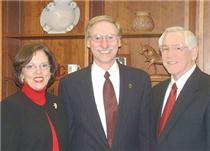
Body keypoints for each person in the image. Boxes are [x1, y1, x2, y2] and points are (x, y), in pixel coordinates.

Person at [58, 15, 152, 151]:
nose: (104, 44)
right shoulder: (70, 84)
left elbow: (146, 134)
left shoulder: (140, 80)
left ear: (119, 41)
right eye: (97, 38)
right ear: (88, 42)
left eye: (110, 37)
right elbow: (67, 135)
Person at [152, 26, 210, 151]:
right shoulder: (156, 91)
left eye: (177, 48)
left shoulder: (207, 88)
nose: (170, 54)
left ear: (193, 53)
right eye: (165, 49)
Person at [1, 43, 68, 151]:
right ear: (21, 74)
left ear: (51, 71)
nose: (38, 71)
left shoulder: (58, 104)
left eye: (44, 65)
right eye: (30, 66)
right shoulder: (8, 108)